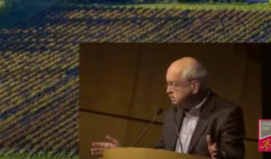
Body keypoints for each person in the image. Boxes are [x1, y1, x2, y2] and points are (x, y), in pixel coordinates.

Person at [90, 56, 245, 158]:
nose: (167, 90)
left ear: (195, 86)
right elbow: (160, 154)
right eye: (167, 84)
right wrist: (124, 153)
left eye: (174, 85)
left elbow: (234, 156)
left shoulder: (227, 113)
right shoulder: (173, 113)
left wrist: (220, 156)